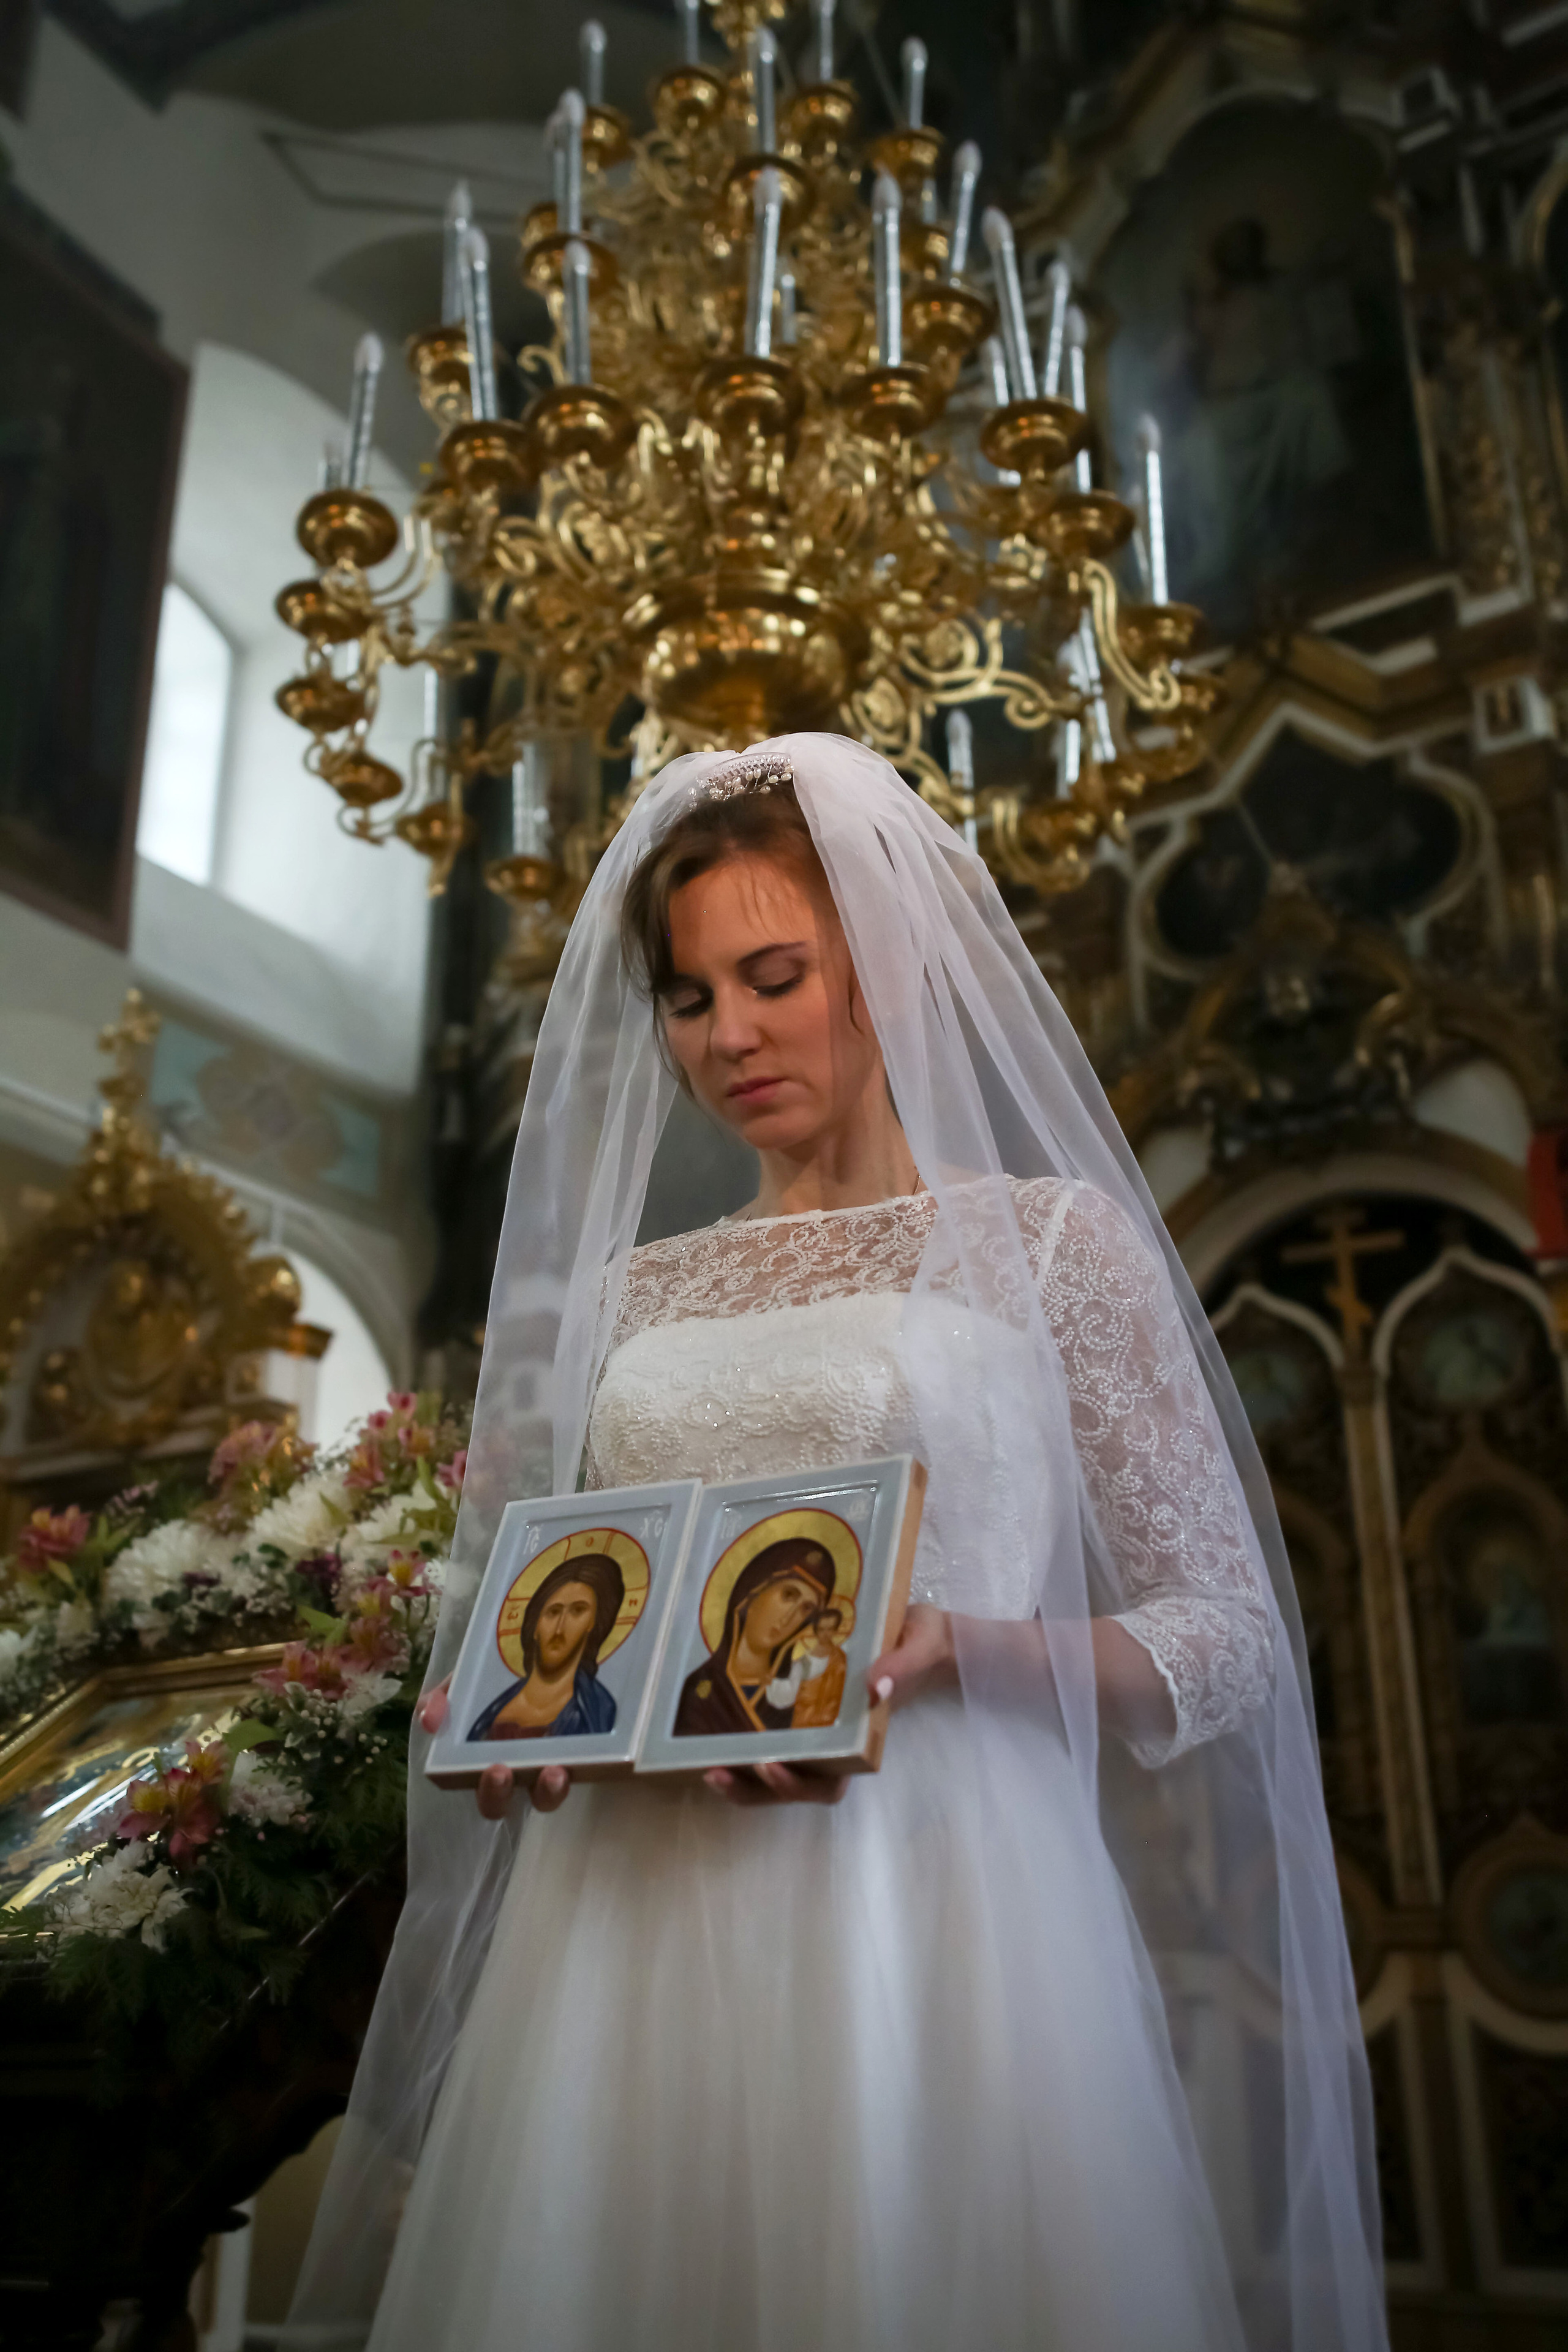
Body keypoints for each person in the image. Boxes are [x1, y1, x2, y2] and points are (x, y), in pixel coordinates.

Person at [292, 736, 1387, 2352]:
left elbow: (1223, 1633)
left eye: (775, 974)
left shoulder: (1050, 1248)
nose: (728, 1034)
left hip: (938, 1898)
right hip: (628, 1921)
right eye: (687, 996)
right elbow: (621, 1608)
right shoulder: (641, 1292)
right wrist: (530, 1713)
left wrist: (969, 1653)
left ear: (885, 962)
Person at [673, 1537, 835, 1736]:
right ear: (754, 1590)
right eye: (789, 1595)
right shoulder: (700, 1690)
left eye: (806, 1609)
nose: (790, 1618)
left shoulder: (794, 1694)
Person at [466, 1553, 624, 1741]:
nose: (559, 1629)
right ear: (535, 1626)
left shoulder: (597, 1711)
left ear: (593, 1623)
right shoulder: (492, 1713)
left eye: (578, 1611)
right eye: (553, 1612)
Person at [791, 1601, 849, 1728]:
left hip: (826, 1718)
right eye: (822, 1629)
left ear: (836, 1630)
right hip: (802, 1716)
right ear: (816, 1631)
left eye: (830, 1629)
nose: (825, 1634)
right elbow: (793, 1689)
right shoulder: (803, 1659)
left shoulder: (839, 1660)